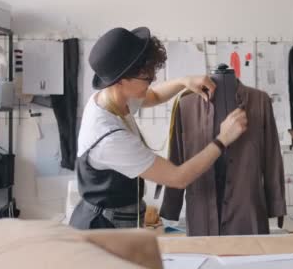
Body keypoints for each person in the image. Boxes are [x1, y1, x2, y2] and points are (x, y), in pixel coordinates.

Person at [70, 27, 247, 229]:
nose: (152, 80)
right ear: (120, 80)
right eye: (147, 78)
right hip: (102, 226)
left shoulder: (112, 98)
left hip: (120, 216)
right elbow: (177, 177)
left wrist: (184, 81)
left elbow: (153, 96)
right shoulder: (109, 138)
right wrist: (222, 139)